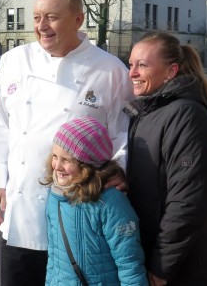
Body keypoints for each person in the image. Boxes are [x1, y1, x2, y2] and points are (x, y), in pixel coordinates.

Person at [0, 0, 134, 285]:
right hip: (19, 212)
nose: (42, 26)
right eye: (37, 18)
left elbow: (123, 135)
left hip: (77, 215)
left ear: (78, 20)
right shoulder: (14, 61)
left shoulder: (110, 70)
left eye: (52, 17)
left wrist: (121, 171)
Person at [126, 31, 207, 286]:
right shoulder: (148, 110)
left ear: (171, 71)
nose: (132, 73)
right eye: (131, 64)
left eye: (143, 65)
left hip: (184, 267)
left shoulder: (187, 116)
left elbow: (188, 202)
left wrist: (162, 265)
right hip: (153, 252)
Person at [41, 116, 148, 285]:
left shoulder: (111, 201)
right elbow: (54, 255)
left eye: (67, 160)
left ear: (87, 163)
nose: (57, 166)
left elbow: (129, 263)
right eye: (55, 156)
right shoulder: (55, 196)